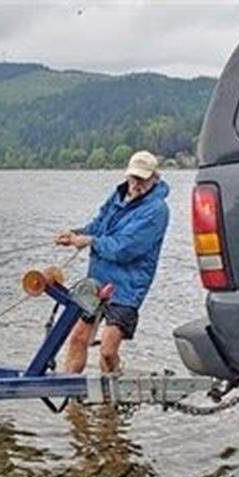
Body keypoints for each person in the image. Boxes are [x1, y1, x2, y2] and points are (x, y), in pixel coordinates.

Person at [53, 150, 169, 375]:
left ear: (155, 178)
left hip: (127, 287)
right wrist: (74, 235)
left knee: (107, 350)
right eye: (133, 177)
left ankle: (113, 397)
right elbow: (98, 227)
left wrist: (88, 240)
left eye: (142, 179)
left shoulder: (157, 211)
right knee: (77, 338)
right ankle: (69, 398)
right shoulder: (117, 196)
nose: (136, 184)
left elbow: (124, 249)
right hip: (96, 279)